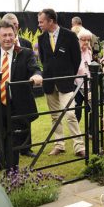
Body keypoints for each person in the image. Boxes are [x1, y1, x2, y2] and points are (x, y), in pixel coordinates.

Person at [0, 19, 43, 169]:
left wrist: (36, 75)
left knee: (14, 141)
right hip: (0, 105)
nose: (7, 38)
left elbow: (35, 68)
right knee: (0, 138)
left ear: (15, 35)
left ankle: (12, 172)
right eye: (4, 35)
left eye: (10, 35)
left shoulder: (25, 53)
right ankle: (1, 168)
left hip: (17, 105)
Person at [37, 8, 85, 157]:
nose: (39, 24)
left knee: (70, 113)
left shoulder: (70, 36)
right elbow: (43, 60)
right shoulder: (41, 38)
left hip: (66, 83)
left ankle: (79, 146)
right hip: (49, 83)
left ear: (51, 21)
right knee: (55, 116)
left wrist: (69, 76)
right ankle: (59, 145)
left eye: (41, 21)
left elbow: (76, 59)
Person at [75, 29, 94, 124]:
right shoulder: (74, 52)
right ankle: (76, 133)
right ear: (78, 40)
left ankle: (90, 132)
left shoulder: (89, 52)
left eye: (88, 40)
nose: (86, 42)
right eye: (83, 40)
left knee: (91, 108)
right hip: (76, 85)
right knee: (77, 110)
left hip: (88, 85)